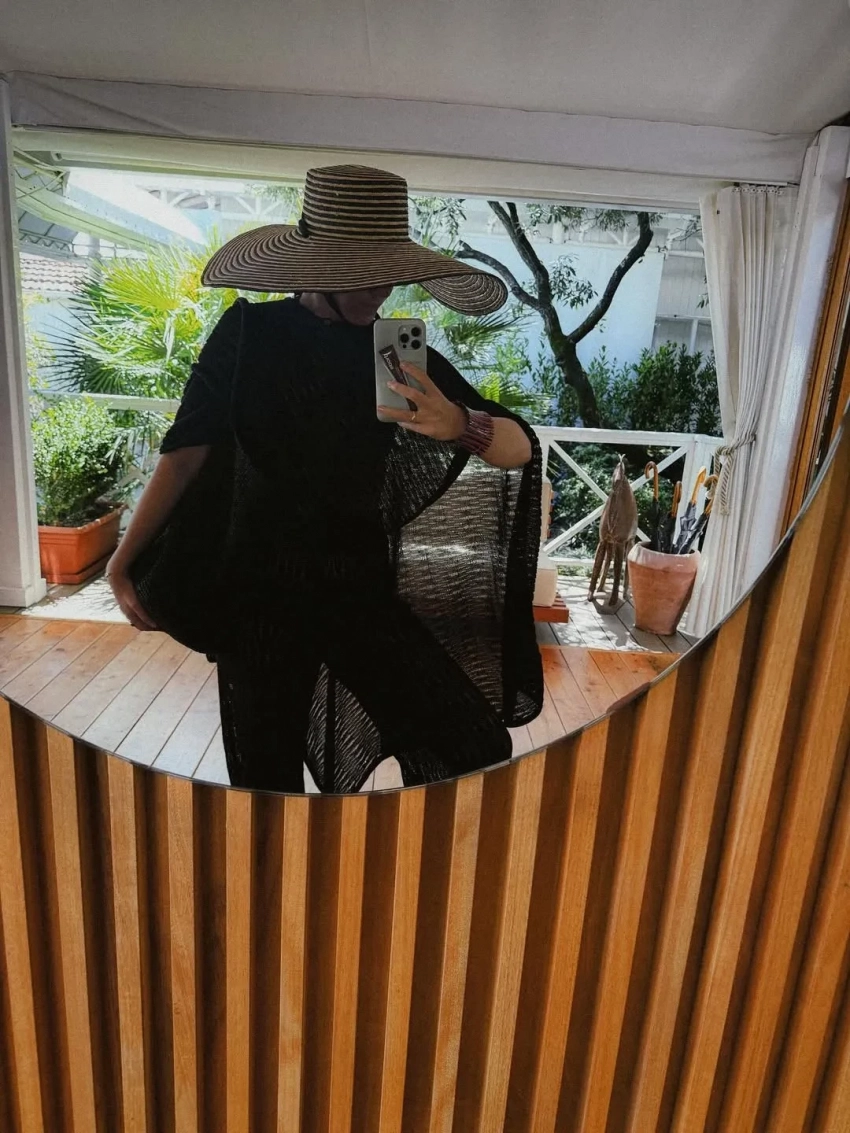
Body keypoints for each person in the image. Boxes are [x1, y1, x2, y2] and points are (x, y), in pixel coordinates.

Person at [106, 164, 543, 793]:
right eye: (360, 274)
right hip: (258, 597)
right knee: (266, 787)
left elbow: (518, 448)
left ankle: (388, 851)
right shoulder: (249, 335)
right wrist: (122, 562)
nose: (380, 291)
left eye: (388, 272)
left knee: (472, 742)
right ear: (315, 267)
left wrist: (459, 424)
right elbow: (185, 453)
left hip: (357, 590)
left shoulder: (392, 352)